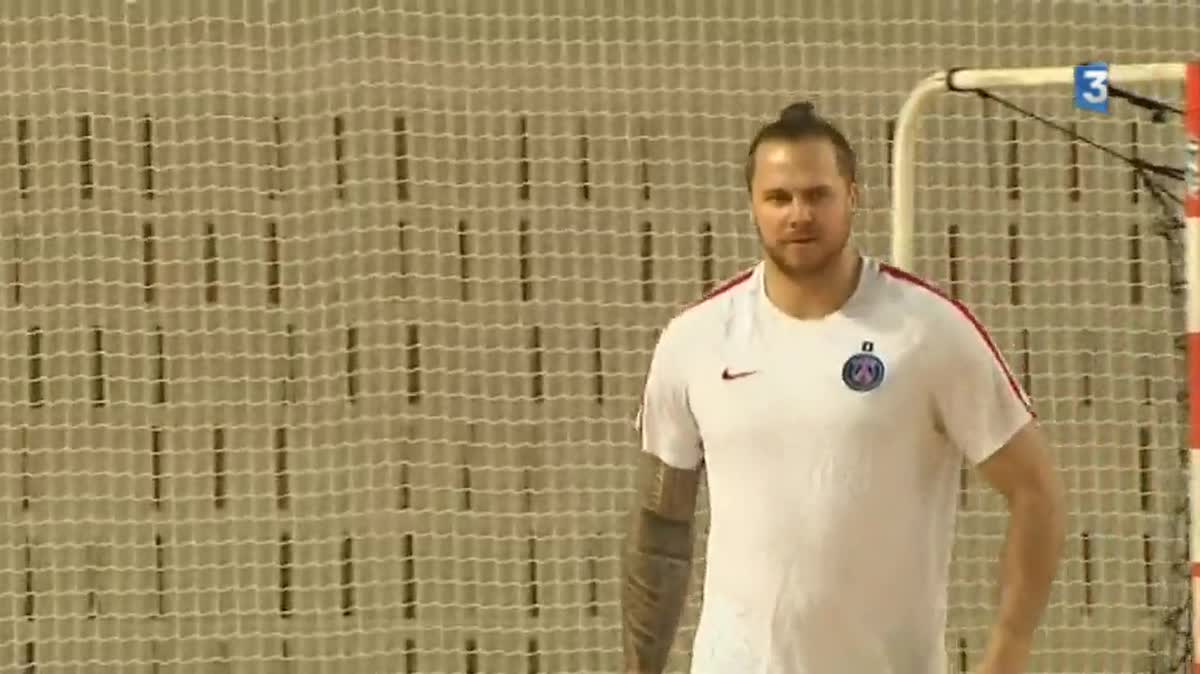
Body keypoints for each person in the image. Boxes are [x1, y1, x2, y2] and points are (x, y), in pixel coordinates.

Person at [619, 102, 1067, 674]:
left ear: (852, 196)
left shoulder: (928, 330)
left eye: (817, 194)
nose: (798, 213)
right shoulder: (695, 339)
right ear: (752, 205)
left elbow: (1037, 492)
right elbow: (661, 523)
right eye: (779, 198)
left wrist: (1009, 650)